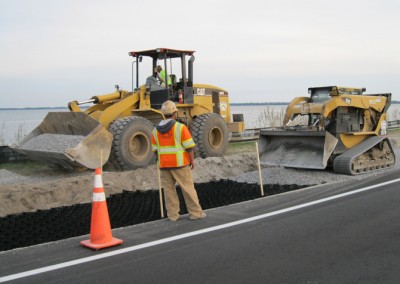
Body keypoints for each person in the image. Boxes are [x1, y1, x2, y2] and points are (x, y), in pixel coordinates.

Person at [151, 100, 206, 221]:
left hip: (164, 165)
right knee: (187, 188)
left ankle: (173, 215)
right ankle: (196, 213)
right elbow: (189, 146)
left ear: (163, 114)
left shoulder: (155, 131)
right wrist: (192, 160)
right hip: (180, 164)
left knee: (169, 191)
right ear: (175, 113)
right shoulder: (181, 128)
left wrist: (161, 160)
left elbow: (155, 150)